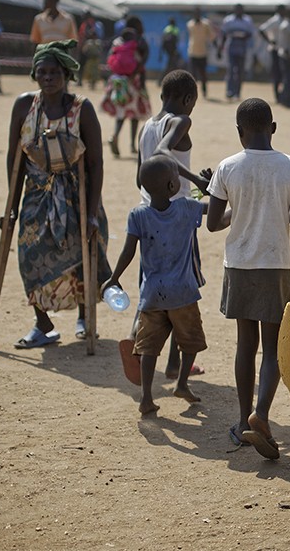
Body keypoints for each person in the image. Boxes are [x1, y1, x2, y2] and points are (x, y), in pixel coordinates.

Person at [206, 98, 290, 459]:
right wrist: (275, 203)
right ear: (274, 128)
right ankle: (261, 414)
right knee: (272, 347)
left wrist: (240, 204)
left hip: (238, 265)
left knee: (244, 345)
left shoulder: (227, 168)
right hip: (275, 265)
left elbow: (213, 223)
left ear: (239, 132)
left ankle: (241, 420)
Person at [5, 40, 111, 347]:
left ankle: (83, 315)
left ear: (66, 75)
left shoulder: (82, 109)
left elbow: (95, 163)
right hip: (36, 195)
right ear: (35, 75)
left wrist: (91, 213)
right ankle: (43, 324)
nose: (48, 77)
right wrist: (11, 208)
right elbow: (14, 159)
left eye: (54, 72)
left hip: (76, 196)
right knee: (29, 257)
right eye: (42, 72)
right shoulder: (25, 106)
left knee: (81, 257)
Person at [102, 156, 218, 415]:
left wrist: (114, 277)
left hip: (152, 294)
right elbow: (215, 209)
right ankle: (182, 384)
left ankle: (146, 397)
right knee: (189, 341)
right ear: (172, 187)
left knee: (148, 348)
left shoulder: (138, 215)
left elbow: (128, 251)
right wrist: (215, 186)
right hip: (183, 293)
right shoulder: (187, 208)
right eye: (177, 179)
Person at [122, 69, 213, 381]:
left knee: (156, 282)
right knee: (182, 287)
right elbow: (163, 153)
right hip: (176, 215)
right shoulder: (180, 121)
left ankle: (146, 344)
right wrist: (195, 181)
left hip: (149, 211)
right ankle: (167, 358)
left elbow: (140, 176)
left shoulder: (146, 126)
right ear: (187, 99)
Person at [101, 17, 152, 156]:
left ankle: (115, 135)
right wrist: (134, 76)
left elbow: (110, 61)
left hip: (119, 82)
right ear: (136, 26)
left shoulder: (117, 41)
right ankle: (132, 145)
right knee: (134, 114)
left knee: (121, 112)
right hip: (134, 81)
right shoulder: (139, 41)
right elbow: (143, 61)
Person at [219, 5, 254, 100]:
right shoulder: (229, 20)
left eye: (241, 10)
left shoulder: (247, 20)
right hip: (231, 47)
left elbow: (250, 34)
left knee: (240, 71)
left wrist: (243, 36)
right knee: (231, 70)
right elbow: (224, 34)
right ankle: (229, 91)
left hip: (242, 47)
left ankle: (237, 92)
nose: (239, 11)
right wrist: (220, 48)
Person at [258, 5, 285, 102]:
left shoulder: (284, 20)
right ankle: (277, 95)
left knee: (282, 73)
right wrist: (270, 41)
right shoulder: (275, 20)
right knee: (277, 73)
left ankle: (281, 94)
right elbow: (261, 29)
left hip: (283, 50)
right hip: (275, 50)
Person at [186, 7, 215, 98]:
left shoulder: (206, 24)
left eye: (198, 13)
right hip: (192, 52)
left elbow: (211, 37)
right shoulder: (190, 24)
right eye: (195, 13)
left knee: (203, 74)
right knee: (192, 75)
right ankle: (193, 93)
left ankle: (204, 92)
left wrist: (217, 48)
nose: (197, 15)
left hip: (202, 53)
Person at [276, 9, 290, 108]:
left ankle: (288, 99)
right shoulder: (285, 26)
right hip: (286, 57)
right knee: (288, 80)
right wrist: (289, 58)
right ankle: (286, 100)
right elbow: (284, 45)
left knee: (289, 79)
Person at [78, 11, 103, 88]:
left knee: (89, 65)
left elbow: (91, 34)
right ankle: (82, 81)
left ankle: (87, 82)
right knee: (86, 65)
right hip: (85, 46)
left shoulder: (91, 24)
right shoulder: (86, 24)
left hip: (89, 47)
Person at [158, 17, 181, 82]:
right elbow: (176, 40)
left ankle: (161, 80)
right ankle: (161, 80)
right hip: (172, 50)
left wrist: (161, 53)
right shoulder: (176, 29)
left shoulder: (166, 29)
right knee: (171, 65)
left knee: (170, 64)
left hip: (166, 50)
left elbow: (163, 40)